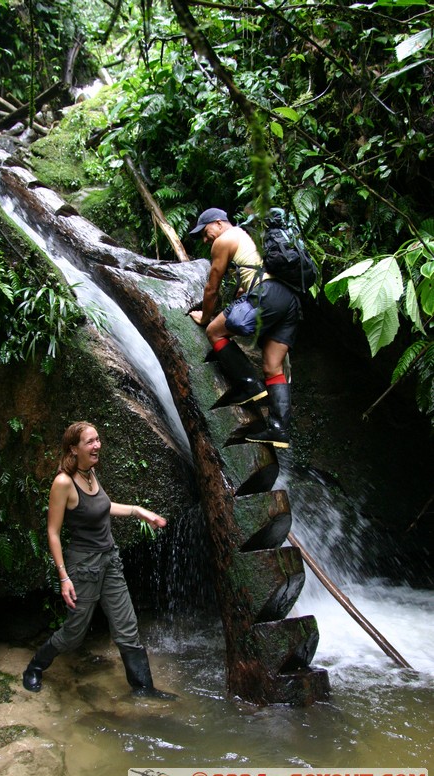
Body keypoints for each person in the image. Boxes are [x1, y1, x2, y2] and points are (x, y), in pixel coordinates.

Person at [22, 421, 176, 699]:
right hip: (84, 567)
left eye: (97, 440)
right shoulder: (63, 483)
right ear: (73, 449)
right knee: (74, 633)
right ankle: (35, 667)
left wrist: (139, 511)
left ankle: (145, 689)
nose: (97, 445)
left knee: (127, 627)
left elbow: (103, 506)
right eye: (90, 442)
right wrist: (64, 577)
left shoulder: (90, 472)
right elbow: (52, 532)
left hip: (110, 560)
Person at [188, 208, 301, 448]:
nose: (206, 239)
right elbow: (248, 282)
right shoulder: (250, 237)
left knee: (214, 331)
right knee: (272, 366)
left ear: (219, 223)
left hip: (268, 294)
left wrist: (205, 316)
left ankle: (249, 384)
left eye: (205, 232)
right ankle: (279, 430)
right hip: (289, 300)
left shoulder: (225, 240)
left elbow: (212, 288)